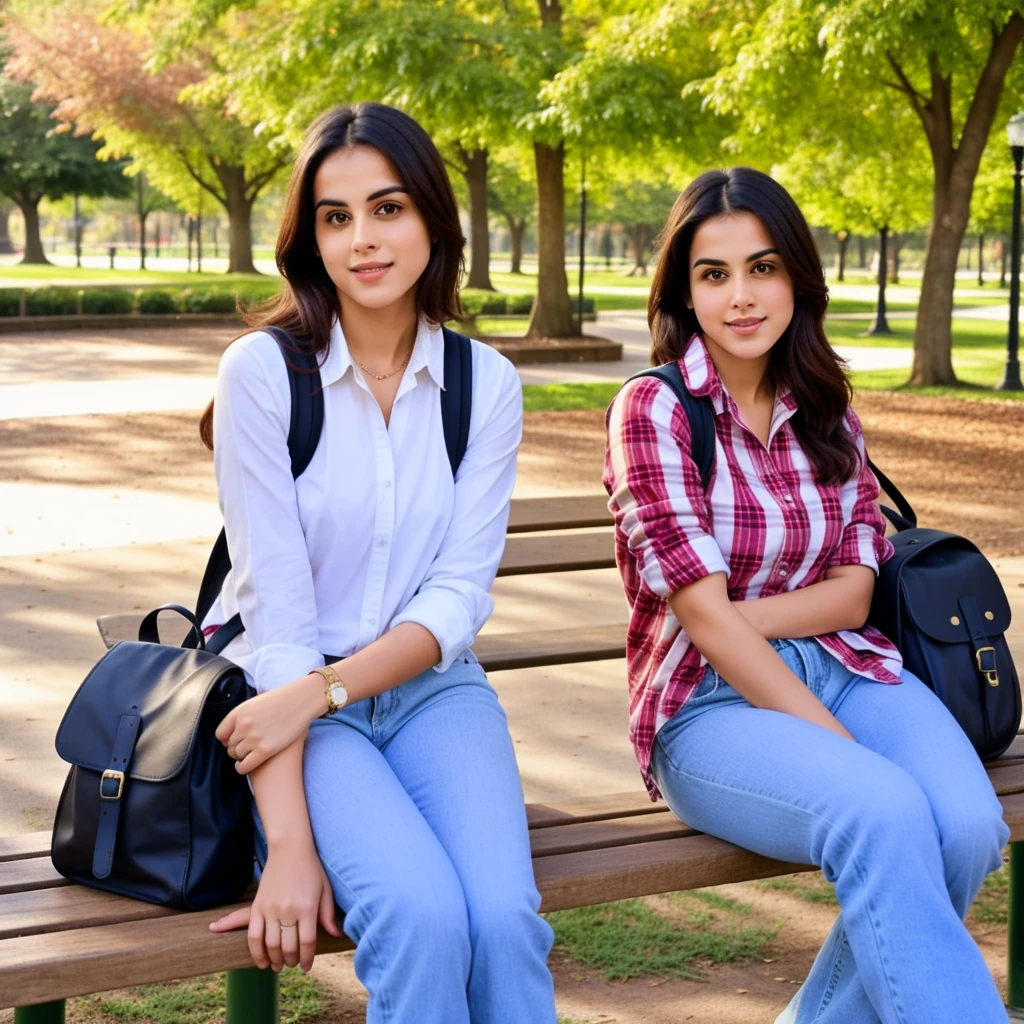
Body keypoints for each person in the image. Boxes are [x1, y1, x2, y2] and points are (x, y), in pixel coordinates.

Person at [603, 167, 1009, 1024]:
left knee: (969, 826)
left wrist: (724, 615)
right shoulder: (655, 411)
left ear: (797, 277)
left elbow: (855, 595)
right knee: (884, 811)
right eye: (714, 275)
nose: (741, 297)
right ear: (683, 290)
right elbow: (705, 633)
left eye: (763, 268)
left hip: (851, 668)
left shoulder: (825, 408)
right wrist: (725, 633)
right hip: (706, 708)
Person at [197, 102, 557, 1024]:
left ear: (434, 220)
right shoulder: (263, 373)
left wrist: (329, 691)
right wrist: (288, 845)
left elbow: (455, 598)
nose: (364, 238)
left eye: (388, 209)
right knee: (422, 919)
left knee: (506, 922)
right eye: (336, 215)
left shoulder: (486, 384)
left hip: (432, 691)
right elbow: (276, 626)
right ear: (309, 237)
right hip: (289, 702)